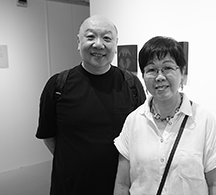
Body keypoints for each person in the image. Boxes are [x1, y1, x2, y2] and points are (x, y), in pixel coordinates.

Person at [36, 15, 146, 195]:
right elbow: (48, 135)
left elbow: (140, 135)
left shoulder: (131, 84)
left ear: (116, 45)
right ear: (79, 42)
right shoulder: (58, 85)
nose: (98, 44)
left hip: (119, 187)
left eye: (107, 38)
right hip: (70, 187)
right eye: (90, 37)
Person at [114, 36, 216, 195]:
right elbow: (122, 184)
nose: (160, 76)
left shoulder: (204, 120)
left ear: (182, 72)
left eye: (167, 68)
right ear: (143, 76)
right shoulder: (133, 121)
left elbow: (215, 184)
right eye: (151, 70)